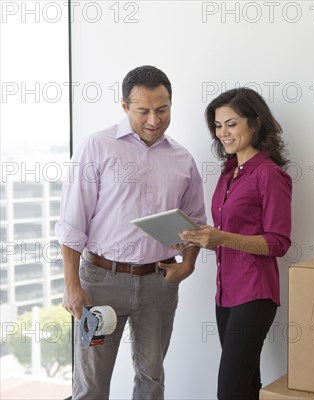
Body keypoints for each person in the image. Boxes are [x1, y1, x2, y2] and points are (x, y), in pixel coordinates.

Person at [56, 65, 206, 399]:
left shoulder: (182, 158)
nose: (154, 119)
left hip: (158, 283)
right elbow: (72, 224)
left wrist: (189, 264)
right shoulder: (97, 147)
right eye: (143, 111)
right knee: (91, 382)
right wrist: (71, 284)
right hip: (100, 282)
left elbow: (196, 221)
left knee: (152, 378)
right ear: (124, 107)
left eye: (163, 109)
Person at [179, 88, 292, 400]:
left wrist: (222, 237)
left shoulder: (269, 174)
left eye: (231, 124)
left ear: (255, 123)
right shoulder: (229, 172)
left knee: (229, 391)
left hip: (254, 293)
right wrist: (200, 238)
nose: (223, 133)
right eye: (217, 126)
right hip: (225, 293)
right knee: (245, 386)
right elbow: (228, 235)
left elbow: (278, 242)